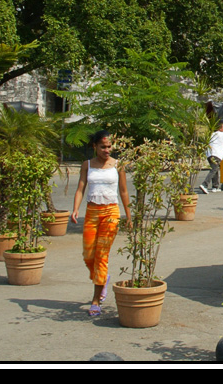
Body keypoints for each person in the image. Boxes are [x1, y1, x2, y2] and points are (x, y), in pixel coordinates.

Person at [71, 130, 131, 317]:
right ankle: (103, 279)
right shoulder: (87, 165)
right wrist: (75, 209)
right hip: (92, 212)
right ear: (94, 147)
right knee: (89, 255)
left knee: (101, 256)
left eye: (109, 147)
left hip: (111, 212)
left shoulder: (118, 165)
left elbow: (123, 191)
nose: (107, 150)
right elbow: (81, 188)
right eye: (103, 147)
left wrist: (128, 216)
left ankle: (96, 299)